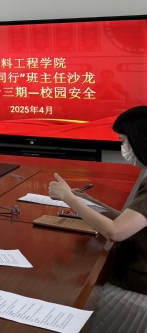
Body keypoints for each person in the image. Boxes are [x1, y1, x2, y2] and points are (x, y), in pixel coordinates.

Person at [49, 106, 147, 332]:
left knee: (67, 295)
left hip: (138, 283)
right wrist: (89, 201)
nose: (123, 148)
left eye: (124, 142)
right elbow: (129, 220)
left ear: (140, 140)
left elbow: (116, 231)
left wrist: (67, 198)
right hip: (134, 272)